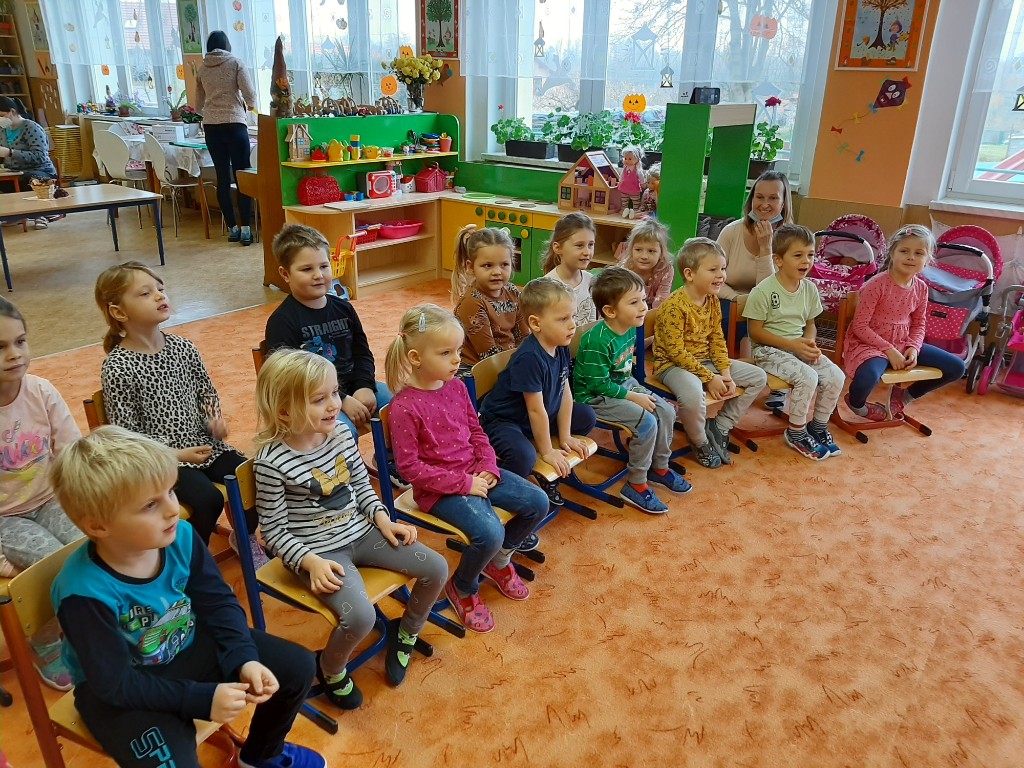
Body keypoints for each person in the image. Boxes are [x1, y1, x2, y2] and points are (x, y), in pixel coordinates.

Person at [49, 426, 325, 768]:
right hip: (120, 693)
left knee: (297, 667)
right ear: (98, 526)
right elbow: (114, 684)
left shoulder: (180, 535)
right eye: (150, 504)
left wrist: (244, 658)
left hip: (187, 646)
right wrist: (201, 699)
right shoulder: (82, 593)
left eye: (171, 491)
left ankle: (260, 756)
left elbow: (218, 604)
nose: (172, 510)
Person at [253, 349, 446, 705]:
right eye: (318, 399)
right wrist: (311, 563)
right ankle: (329, 668)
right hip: (318, 553)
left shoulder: (342, 433)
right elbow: (274, 532)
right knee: (359, 617)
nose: (333, 405)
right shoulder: (271, 463)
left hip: (362, 532)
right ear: (284, 411)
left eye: (334, 393)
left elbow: (361, 487)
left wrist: (383, 520)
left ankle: (407, 632)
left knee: (436, 568)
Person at [386, 305, 549, 635]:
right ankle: (462, 586)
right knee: (490, 532)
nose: (457, 359)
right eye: (445, 353)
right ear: (415, 357)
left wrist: (488, 464)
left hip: (477, 471)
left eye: (457, 351)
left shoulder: (457, 387)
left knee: (538, 502)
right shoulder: (404, 407)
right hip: (438, 490)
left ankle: (498, 561)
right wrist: (464, 483)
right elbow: (410, 469)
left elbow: (476, 431)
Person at [94, 262, 263, 562]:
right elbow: (126, 438)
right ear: (119, 312)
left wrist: (214, 420)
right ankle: (188, 560)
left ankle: (244, 537)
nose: (160, 296)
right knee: (207, 499)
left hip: (203, 444)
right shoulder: (118, 367)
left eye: (160, 289)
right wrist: (175, 455)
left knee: (254, 476)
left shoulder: (183, 347)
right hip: (159, 460)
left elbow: (206, 392)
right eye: (145, 293)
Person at [264, 224, 403, 485]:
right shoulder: (282, 322)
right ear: (285, 273)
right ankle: (344, 485)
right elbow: (289, 381)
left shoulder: (344, 308)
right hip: (313, 399)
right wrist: (342, 399)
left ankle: (392, 460)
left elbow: (362, 352)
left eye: (323, 266)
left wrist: (364, 386)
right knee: (342, 431)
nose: (318, 275)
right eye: (307, 269)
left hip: (354, 386)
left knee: (400, 406)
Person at [0, 297, 83, 691]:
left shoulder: (41, 390)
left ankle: (92, 627)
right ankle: (47, 642)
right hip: (5, 519)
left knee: (89, 548)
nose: (15, 354)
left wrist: (88, 506)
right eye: (0, 347)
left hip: (50, 499)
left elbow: (72, 453)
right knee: (52, 565)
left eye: (20, 341)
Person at [573, 267, 690, 513]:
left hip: (621, 385)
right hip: (594, 397)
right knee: (647, 422)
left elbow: (624, 372)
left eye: (643, 300)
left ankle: (659, 467)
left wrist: (634, 392)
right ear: (610, 311)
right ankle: (636, 484)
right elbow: (596, 385)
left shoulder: (630, 326)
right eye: (634, 302)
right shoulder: (597, 340)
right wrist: (634, 396)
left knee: (667, 412)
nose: (644, 307)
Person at [478, 278, 596, 506]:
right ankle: (503, 491)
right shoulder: (530, 358)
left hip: (538, 415)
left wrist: (565, 437)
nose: (572, 325)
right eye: (563, 319)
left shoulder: (560, 345)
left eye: (572, 317)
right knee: (523, 456)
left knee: (586, 416)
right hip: (504, 422)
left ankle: (545, 474)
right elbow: (535, 410)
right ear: (535, 323)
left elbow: (565, 392)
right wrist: (548, 451)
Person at [653, 238, 768, 469]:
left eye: (723, 269)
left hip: (705, 362)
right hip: (673, 366)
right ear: (690, 274)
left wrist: (725, 373)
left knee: (758, 377)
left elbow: (716, 339)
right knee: (693, 397)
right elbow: (676, 353)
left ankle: (720, 425)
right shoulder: (674, 306)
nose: (721, 275)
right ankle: (700, 441)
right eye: (713, 269)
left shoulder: (713, 300)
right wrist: (709, 378)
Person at [743, 225, 845, 461]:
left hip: (797, 348)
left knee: (836, 376)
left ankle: (818, 426)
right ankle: (796, 432)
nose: (806, 261)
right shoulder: (763, 290)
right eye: (798, 255)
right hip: (767, 351)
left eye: (810, 254)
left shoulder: (809, 289)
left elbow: (810, 324)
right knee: (807, 377)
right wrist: (792, 345)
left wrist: (808, 343)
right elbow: (755, 332)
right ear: (778, 260)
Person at [843, 224, 966, 420]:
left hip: (903, 341)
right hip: (870, 344)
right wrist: (889, 350)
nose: (911, 257)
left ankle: (904, 396)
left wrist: (914, 348)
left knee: (957, 367)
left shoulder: (921, 288)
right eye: (904, 251)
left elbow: (919, 324)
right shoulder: (876, 285)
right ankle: (856, 404)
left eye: (919, 253)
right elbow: (859, 327)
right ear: (892, 253)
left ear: (927, 259)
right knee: (868, 377)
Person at [717, 170, 795, 409]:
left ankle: (778, 382)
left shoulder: (792, 239)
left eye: (773, 198)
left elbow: (772, 291)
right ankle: (743, 378)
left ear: (784, 203)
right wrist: (741, 299)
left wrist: (765, 249)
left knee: (782, 323)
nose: (764, 204)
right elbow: (711, 277)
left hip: (772, 305)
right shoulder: (732, 231)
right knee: (734, 318)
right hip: (730, 300)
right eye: (759, 197)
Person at [196, 31, 258, 246]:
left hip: (212, 127)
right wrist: (248, 105)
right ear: (227, 45)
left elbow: (198, 104)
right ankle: (246, 230)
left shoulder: (203, 68)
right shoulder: (236, 63)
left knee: (222, 177)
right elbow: (250, 94)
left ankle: (232, 228)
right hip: (235, 124)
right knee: (242, 176)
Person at [450, 225, 529, 375]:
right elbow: (488, 355)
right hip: (476, 371)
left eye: (504, 265)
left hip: (507, 362)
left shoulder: (512, 291)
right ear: (471, 267)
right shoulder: (472, 303)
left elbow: (523, 335)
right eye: (488, 266)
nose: (497, 272)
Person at [0, 96, 58, 231]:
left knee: (30, 178)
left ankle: (40, 214)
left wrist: (10, 152)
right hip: (13, 171)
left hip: (40, 170)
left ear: (13, 112)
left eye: (1, 116)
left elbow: (40, 156)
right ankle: (16, 214)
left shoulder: (31, 128)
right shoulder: (2, 130)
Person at [542, 212, 598, 325]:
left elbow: (592, 322)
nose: (587, 252)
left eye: (590, 245)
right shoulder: (547, 286)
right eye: (579, 245)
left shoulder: (591, 281)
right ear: (557, 248)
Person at [617, 217, 674, 311]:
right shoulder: (625, 269)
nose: (644, 256)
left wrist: (650, 318)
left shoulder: (666, 269)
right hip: (630, 310)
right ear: (631, 249)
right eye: (638, 250)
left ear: (661, 253)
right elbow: (620, 301)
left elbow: (661, 303)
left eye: (651, 251)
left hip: (653, 312)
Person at [619, 145, 646, 219]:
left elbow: (641, 177)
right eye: (625, 158)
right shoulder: (625, 168)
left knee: (635, 200)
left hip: (634, 188)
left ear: (637, 159)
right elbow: (622, 176)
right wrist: (620, 182)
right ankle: (624, 209)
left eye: (630, 159)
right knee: (624, 199)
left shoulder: (637, 169)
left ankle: (635, 210)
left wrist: (642, 183)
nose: (627, 161)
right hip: (625, 187)